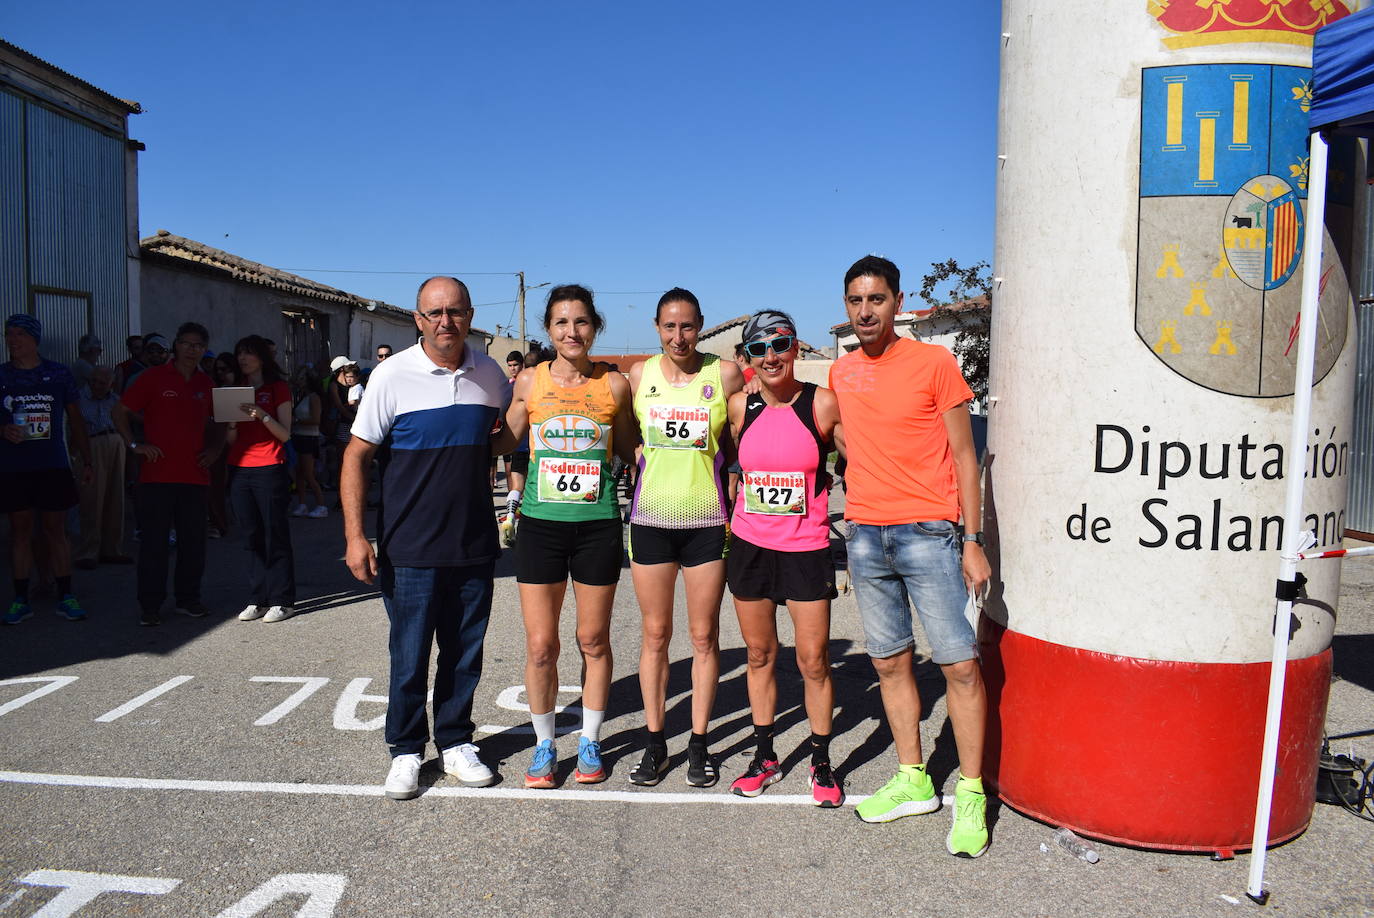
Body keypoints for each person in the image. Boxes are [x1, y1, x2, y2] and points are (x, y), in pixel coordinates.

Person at [829, 255, 991, 857]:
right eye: (854, 301)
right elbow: (844, 432)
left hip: (931, 534)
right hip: (866, 535)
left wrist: (972, 541)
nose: (865, 311)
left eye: (875, 300)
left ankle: (971, 791)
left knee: (959, 666)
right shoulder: (844, 373)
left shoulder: (934, 362)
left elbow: (965, 454)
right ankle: (913, 777)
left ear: (898, 302)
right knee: (890, 664)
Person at [343, 276, 510, 801]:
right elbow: (356, 457)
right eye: (434, 313)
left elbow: (503, 439)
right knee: (410, 655)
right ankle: (406, 751)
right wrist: (355, 536)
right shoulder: (391, 376)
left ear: (470, 315)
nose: (445, 322)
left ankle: (457, 742)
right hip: (409, 547)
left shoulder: (490, 375)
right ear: (418, 319)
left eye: (455, 312)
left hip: (473, 543)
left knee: (464, 653)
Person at [503, 285, 638, 788]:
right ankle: (544, 745)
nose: (571, 332)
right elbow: (504, 438)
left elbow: (630, 447)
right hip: (540, 527)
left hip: (597, 526)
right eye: (561, 323)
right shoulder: (530, 382)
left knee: (592, 639)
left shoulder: (615, 385)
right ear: (548, 330)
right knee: (541, 646)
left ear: (594, 327)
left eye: (580, 322)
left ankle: (589, 740)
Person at [724, 309, 844, 807]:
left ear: (796, 348)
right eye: (759, 349)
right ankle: (765, 756)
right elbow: (727, 464)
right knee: (759, 655)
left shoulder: (823, 403)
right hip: (751, 545)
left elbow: (857, 460)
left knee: (813, 661)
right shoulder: (738, 406)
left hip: (806, 548)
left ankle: (820, 761)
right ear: (747, 358)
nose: (770, 356)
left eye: (780, 345)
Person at [626, 287, 743, 786]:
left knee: (703, 636)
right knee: (655, 635)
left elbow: (739, 444)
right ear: (657, 327)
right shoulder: (639, 375)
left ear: (701, 326)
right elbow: (623, 433)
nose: (679, 336)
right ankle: (656, 743)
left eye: (688, 326)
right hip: (650, 521)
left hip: (705, 522)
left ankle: (698, 743)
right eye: (670, 327)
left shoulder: (726, 373)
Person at [115, 322, 221, 626]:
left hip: (194, 477)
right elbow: (119, 412)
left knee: (193, 544)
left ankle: (188, 600)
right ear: (175, 345)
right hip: (155, 477)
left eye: (199, 345)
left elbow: (220, 424)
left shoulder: (206, 385)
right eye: (187, 343)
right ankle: (150, 606)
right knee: (154, 546)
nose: (192, 350)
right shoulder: (152, 377)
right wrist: (135, 444)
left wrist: (214, 451)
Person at [0, 313, 92, 624]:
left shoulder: (59, 374)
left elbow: (76, 419)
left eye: (19, 335)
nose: (12, 340)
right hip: (14, 467)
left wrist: (87, 459)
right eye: (8, 334)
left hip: (53, 465)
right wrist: (3, 430)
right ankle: (20, 599)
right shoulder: (1, 375)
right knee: (20, 532)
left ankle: (66, 594)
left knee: (56, 531)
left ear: (34, 339)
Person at [226, 335, 296, 624]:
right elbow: (230, 440)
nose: (243, 358)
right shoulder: (233, 391)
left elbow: (286, 434)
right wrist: (230, 423)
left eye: (249, 353)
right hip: (239, 468)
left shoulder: (277, 388)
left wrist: (263, 416)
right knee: (250, 536)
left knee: (274, 534)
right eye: (240, 352)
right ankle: (257, 598)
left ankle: (283, 600)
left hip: (269, 467)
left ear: (262, 358)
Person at [74, 365, 130, 569]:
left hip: (115, 442)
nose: (98, 386)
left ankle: (112, 549)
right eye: (94, 381)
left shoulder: (115, 400)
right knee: (91, 498)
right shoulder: (79, 399)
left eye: (103, 383)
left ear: (111, 384)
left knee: (116, 497)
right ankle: (88, 551)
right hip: (91, 444)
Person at [206, 353, 239, 538]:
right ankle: (218, 523)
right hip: (220, 442)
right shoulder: (216, 389)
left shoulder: (243, 390)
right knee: (217, 485)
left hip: (242, 445)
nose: (220, 374)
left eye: (225, 370)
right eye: (217, 370)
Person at [289, 366, 327, 518]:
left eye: (302, 378)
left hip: (309, 438)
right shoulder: (301, 397)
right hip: (298, 436)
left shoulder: (314, 398)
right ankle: (302, 504)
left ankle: (321, 505)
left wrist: (296, 420)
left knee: (308, 474)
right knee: (299, 473)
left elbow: (316, 420)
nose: (299, 381)